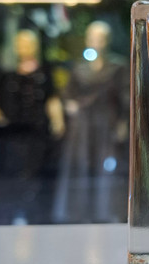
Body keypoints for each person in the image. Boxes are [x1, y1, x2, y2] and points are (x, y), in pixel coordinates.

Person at [0, 29, 64, 224]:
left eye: (28, 44)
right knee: (11, 173)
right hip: (11, 134)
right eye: (21, 44)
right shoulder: (5, 73)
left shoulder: (44, 72)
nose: (24, 48)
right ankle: (12, 213)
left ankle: (34, 214)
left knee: (35, 173)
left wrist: (57, 120)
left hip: (37, 132)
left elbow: (52, 98)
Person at [53, 21, 128, 223]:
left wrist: (123, 123)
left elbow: (126, 98)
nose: (97, 42)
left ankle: (107, 211)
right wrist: (69, 105)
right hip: (83, 126)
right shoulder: (79, 68)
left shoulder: (118, 67)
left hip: (107, 123)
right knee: (81, 166)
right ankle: (79, 212)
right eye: (93, 38)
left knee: (107, 169)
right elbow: (68, 94)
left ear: (108, 40)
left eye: (101, 38)